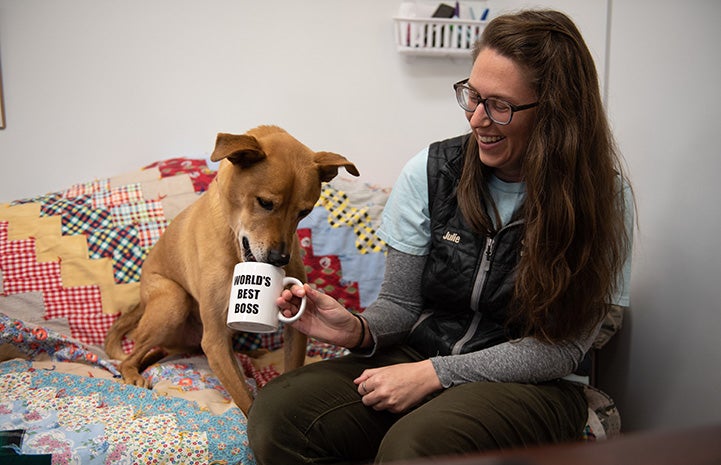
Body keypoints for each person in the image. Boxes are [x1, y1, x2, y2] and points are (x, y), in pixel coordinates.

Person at [247, 9, 634, 465]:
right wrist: (356, 329)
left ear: (554, 111)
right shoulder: (432, 171)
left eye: (500, 106)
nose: (477, 120)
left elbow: (562, 349)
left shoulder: (600, 196)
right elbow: (401, 305)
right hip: (419, 354)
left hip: (534, 385)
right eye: (472, 96)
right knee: (279, 417)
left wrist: (437, 374)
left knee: (414, 447)